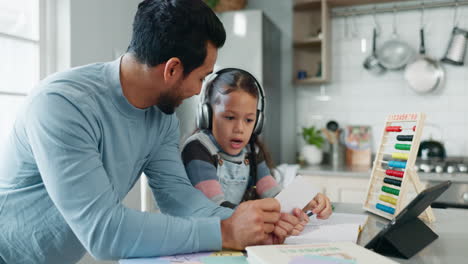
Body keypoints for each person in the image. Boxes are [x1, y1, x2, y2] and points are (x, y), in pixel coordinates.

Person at [0, 1, 292, 263]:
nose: (197, 92)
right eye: (201, 78)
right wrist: (225, 231)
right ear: (172, 69)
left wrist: (256, 224)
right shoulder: (62, 107)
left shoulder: (161, 116)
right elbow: (105, 233)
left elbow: (179, 197)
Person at [181, 68, 333, 235]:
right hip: (201, 234)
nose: (239, 128)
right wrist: (271, 220)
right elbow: (215, 206)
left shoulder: (252, 150)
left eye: (249, 120)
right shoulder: (197, 148)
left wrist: (304, 202)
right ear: (207, 115)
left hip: (232, 232)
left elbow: (274, 196)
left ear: (258, 122)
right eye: (230, 117)